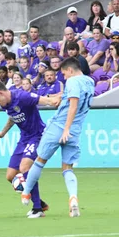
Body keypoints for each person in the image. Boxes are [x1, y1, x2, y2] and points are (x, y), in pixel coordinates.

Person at [20, 57, 95, 217]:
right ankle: (73, 198)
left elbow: (73, 104)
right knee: (67, 168)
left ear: (70, 70)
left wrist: (65, 128)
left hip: (60, 127)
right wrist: (60, 96)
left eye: (64, 74)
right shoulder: (89, 81)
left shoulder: (72, 82)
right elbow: (73, 99)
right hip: (75, 131)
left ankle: (26, 193)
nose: (64, 77)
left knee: (40, 161)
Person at [0, 80, 60, 218]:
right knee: (10, 176)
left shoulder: (22, 97)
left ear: (1, 93)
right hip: (24, 139)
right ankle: (40, 203)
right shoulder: (6, 104)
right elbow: (12, 117)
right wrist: (2, 133)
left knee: (25, 167)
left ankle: (37, 209)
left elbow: (42, 100)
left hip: (37, 136)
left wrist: (55, 101)